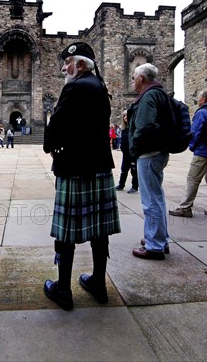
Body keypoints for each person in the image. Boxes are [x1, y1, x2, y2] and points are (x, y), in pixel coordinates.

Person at [43, 42, 121, 310]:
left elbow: (58, 123)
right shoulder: (100, 87)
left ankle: (63, 289)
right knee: (99, 228)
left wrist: (49, 146)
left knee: (66, 231)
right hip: (99, 165)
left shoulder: (74, 86)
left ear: (79, 64)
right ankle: (98, 282)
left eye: (67, 63)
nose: (64, 68)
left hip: (74, 166)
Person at [128, 63, 171, 260]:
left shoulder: (149, 95)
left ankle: (155, 246)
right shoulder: (160, 93)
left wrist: (134, 148)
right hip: (158, 151)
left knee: (151, 201)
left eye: (134, 77)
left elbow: (144, 126)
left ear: (142, 78)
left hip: (148, 153)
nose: (132, 80)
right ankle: (159, 239)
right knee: (157, 198)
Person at [169, 89, 207, 221]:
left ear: (204, 99)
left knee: (193, 179)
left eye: (199, 97)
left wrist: (192, 147)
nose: (198, 99)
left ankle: (185, 208)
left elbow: (196, 132)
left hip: (203, 152)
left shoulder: (202, 112)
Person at [115, 110, 138, 194]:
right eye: (124, 116)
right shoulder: (124, 129)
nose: (126, 118)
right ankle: (121, 185)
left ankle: (134, 187)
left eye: (127, 116)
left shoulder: (135, 128)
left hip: (133, 153)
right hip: (125, 154)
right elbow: (123, 140)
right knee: (123, 170)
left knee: (134, 171)